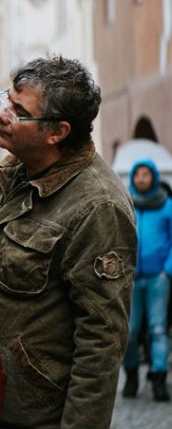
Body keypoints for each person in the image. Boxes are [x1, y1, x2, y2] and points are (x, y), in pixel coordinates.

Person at [0, 56, 136, 429]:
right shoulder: (15, 172)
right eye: (7, 99)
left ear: (57, 131)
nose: (2, 114)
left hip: (31, 416)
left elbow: (101, 341)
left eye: (18, 111)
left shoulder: (97, 205)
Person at [122, 158, 172, 401]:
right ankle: (131, 375)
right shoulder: (126, 203)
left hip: (158, 279)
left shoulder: (167, 205)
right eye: (137, 174)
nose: (141, 178)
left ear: (153, 176)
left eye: (146, 174)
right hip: (130, 279)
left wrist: (167, 270)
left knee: (158, 329)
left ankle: (159, 377)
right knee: (129, 332)